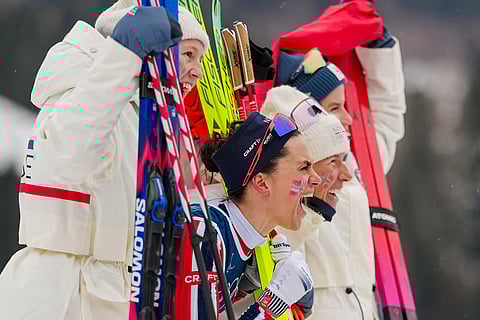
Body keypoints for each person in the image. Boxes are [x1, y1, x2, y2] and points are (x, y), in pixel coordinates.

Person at [0, 3, 210, 319]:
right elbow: (71, 155)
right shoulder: (80, 89)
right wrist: (124, 55)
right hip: (64, 295)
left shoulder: (140, 114)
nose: (197, 70)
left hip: (113, 290)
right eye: (188, 55)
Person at [272, 29, 406, 320]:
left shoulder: (354, 166)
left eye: (345, 105)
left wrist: (379, 49)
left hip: (364, 308)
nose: (348, 117)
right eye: (334, 107)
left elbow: (386, 123)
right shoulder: (285, 174)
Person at [200, 85, 352, 319]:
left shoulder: (244, 240)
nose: (316, 179)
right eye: (304, 167)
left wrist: (249, 293)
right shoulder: (208, 233)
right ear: (262, 183)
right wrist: (272, 304)